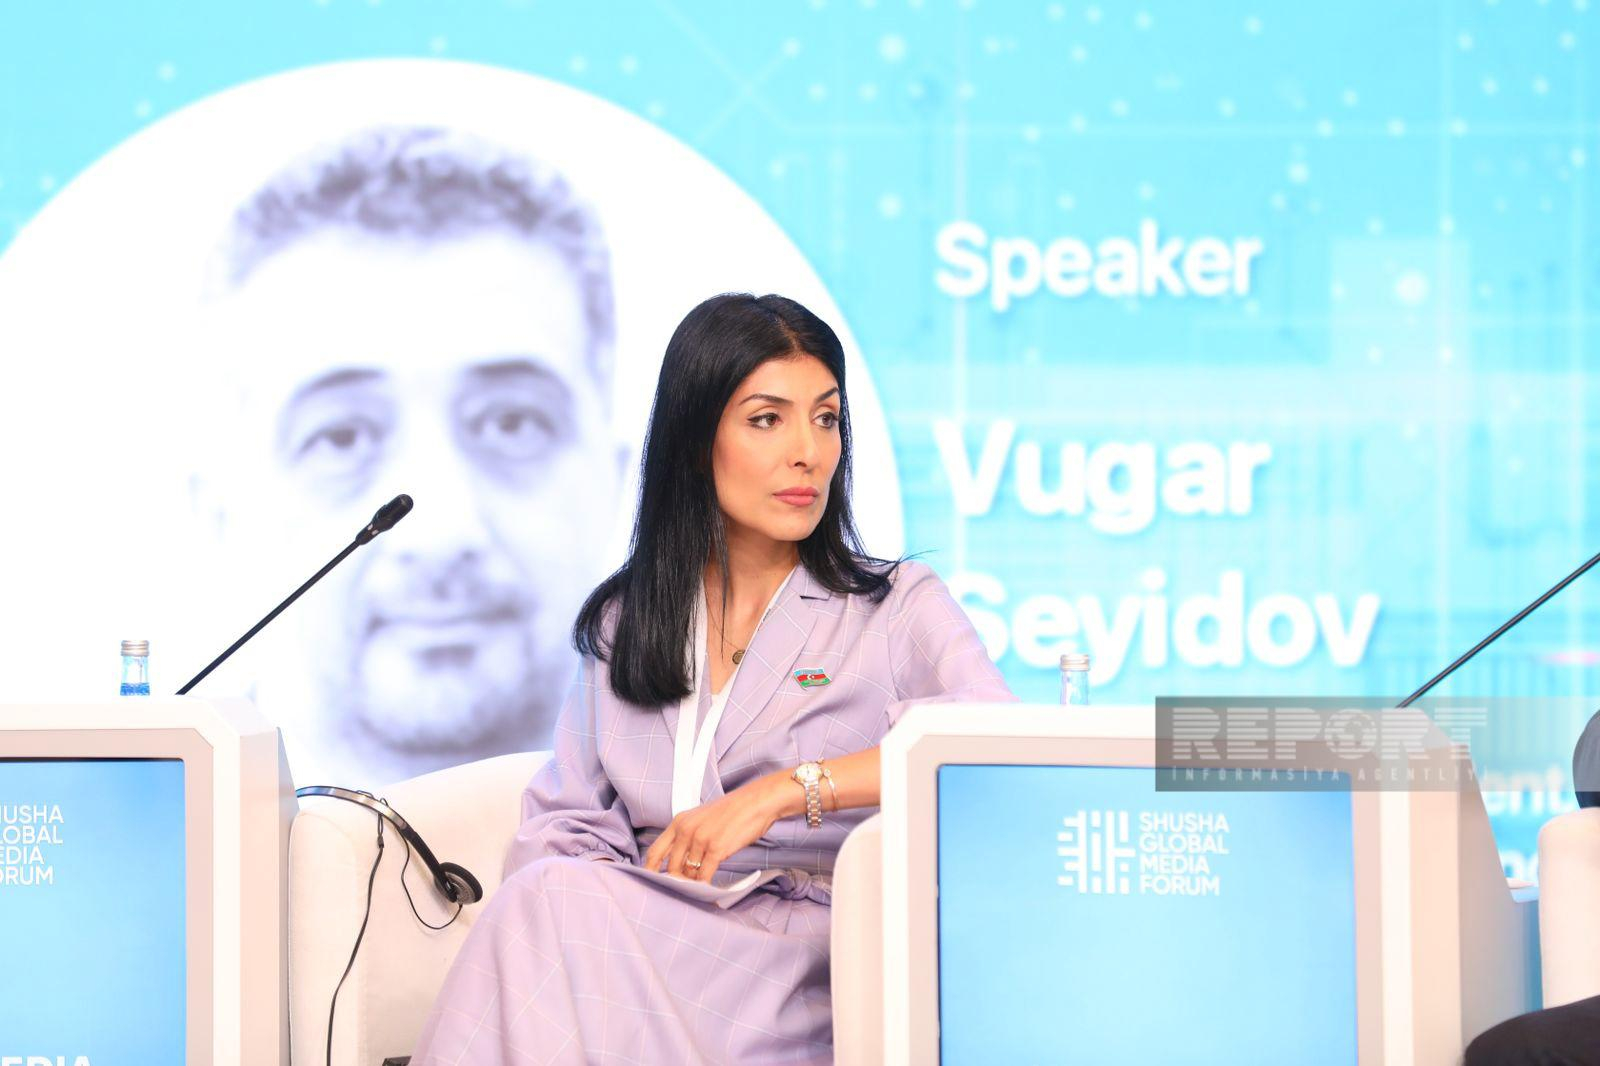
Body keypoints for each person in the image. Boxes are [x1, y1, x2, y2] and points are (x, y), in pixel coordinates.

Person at [410, 293, 1016, 1063]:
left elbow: (991, 744)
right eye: (768, 420)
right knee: (548, 901)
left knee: (549, 910)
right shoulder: (628, 619)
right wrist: (611, 917)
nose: (808, 452)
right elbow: (565, 823)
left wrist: (785, 791)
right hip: (643, 940)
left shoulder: (895, 605)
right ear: (698, 442)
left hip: (805, 963)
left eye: (826, 418)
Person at [195, 125, 628, 785]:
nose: (440, 533)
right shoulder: (135, 833)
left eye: (512, 423)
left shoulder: (750, 808)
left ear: (619, 482)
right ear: (220, 512)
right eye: (341, 436)